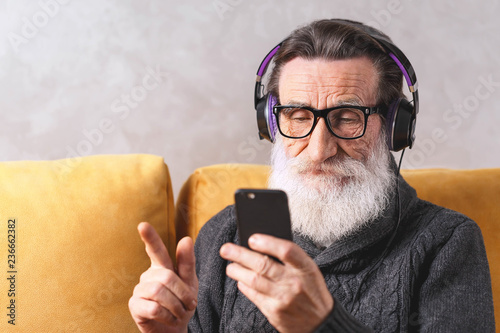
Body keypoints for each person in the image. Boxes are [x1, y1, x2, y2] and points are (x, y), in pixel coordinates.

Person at [128, 19, 495, 332]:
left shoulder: (446, 243)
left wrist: (323, 322)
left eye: (349, 117)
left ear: (395, 128)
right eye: (299, 117)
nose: (319, 149)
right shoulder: (225, 236)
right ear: (271, 122)